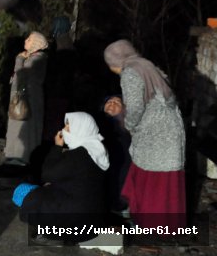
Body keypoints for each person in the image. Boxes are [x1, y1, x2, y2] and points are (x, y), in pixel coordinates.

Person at [104, 40, 186, 229]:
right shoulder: (147, 65)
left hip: (155, 133)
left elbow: (135, 108)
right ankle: (168, 224)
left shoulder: (130, 73)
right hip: (170, 130)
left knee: (151, 179)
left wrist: (129, 125)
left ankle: (149, 223)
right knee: (165, 179)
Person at [17, 112, 109, 244]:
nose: (64, 130)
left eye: (68, 127)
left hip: (74, 221)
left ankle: (50, 233)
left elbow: (46, 174)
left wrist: (57, 147)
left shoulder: (79, 155)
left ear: (80, 129)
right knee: (46, 190)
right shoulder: (98, 151)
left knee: (23, 191)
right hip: (93, 222)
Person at [4, 31, 48, 165]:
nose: (26, 41)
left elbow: (21, 75)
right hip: (25, 98)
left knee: (22, 126)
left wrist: (19, 60)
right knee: (20, 125)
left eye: (29, 39)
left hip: (26, 99)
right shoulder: (35, 57)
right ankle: (17, 154)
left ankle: (20, 156)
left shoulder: (37, 58)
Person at [100, 95, 131, 214]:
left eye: (117, 102)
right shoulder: (94, 127)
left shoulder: (126, 132)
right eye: (109, 101)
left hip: (118, 184)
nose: (112, 104)